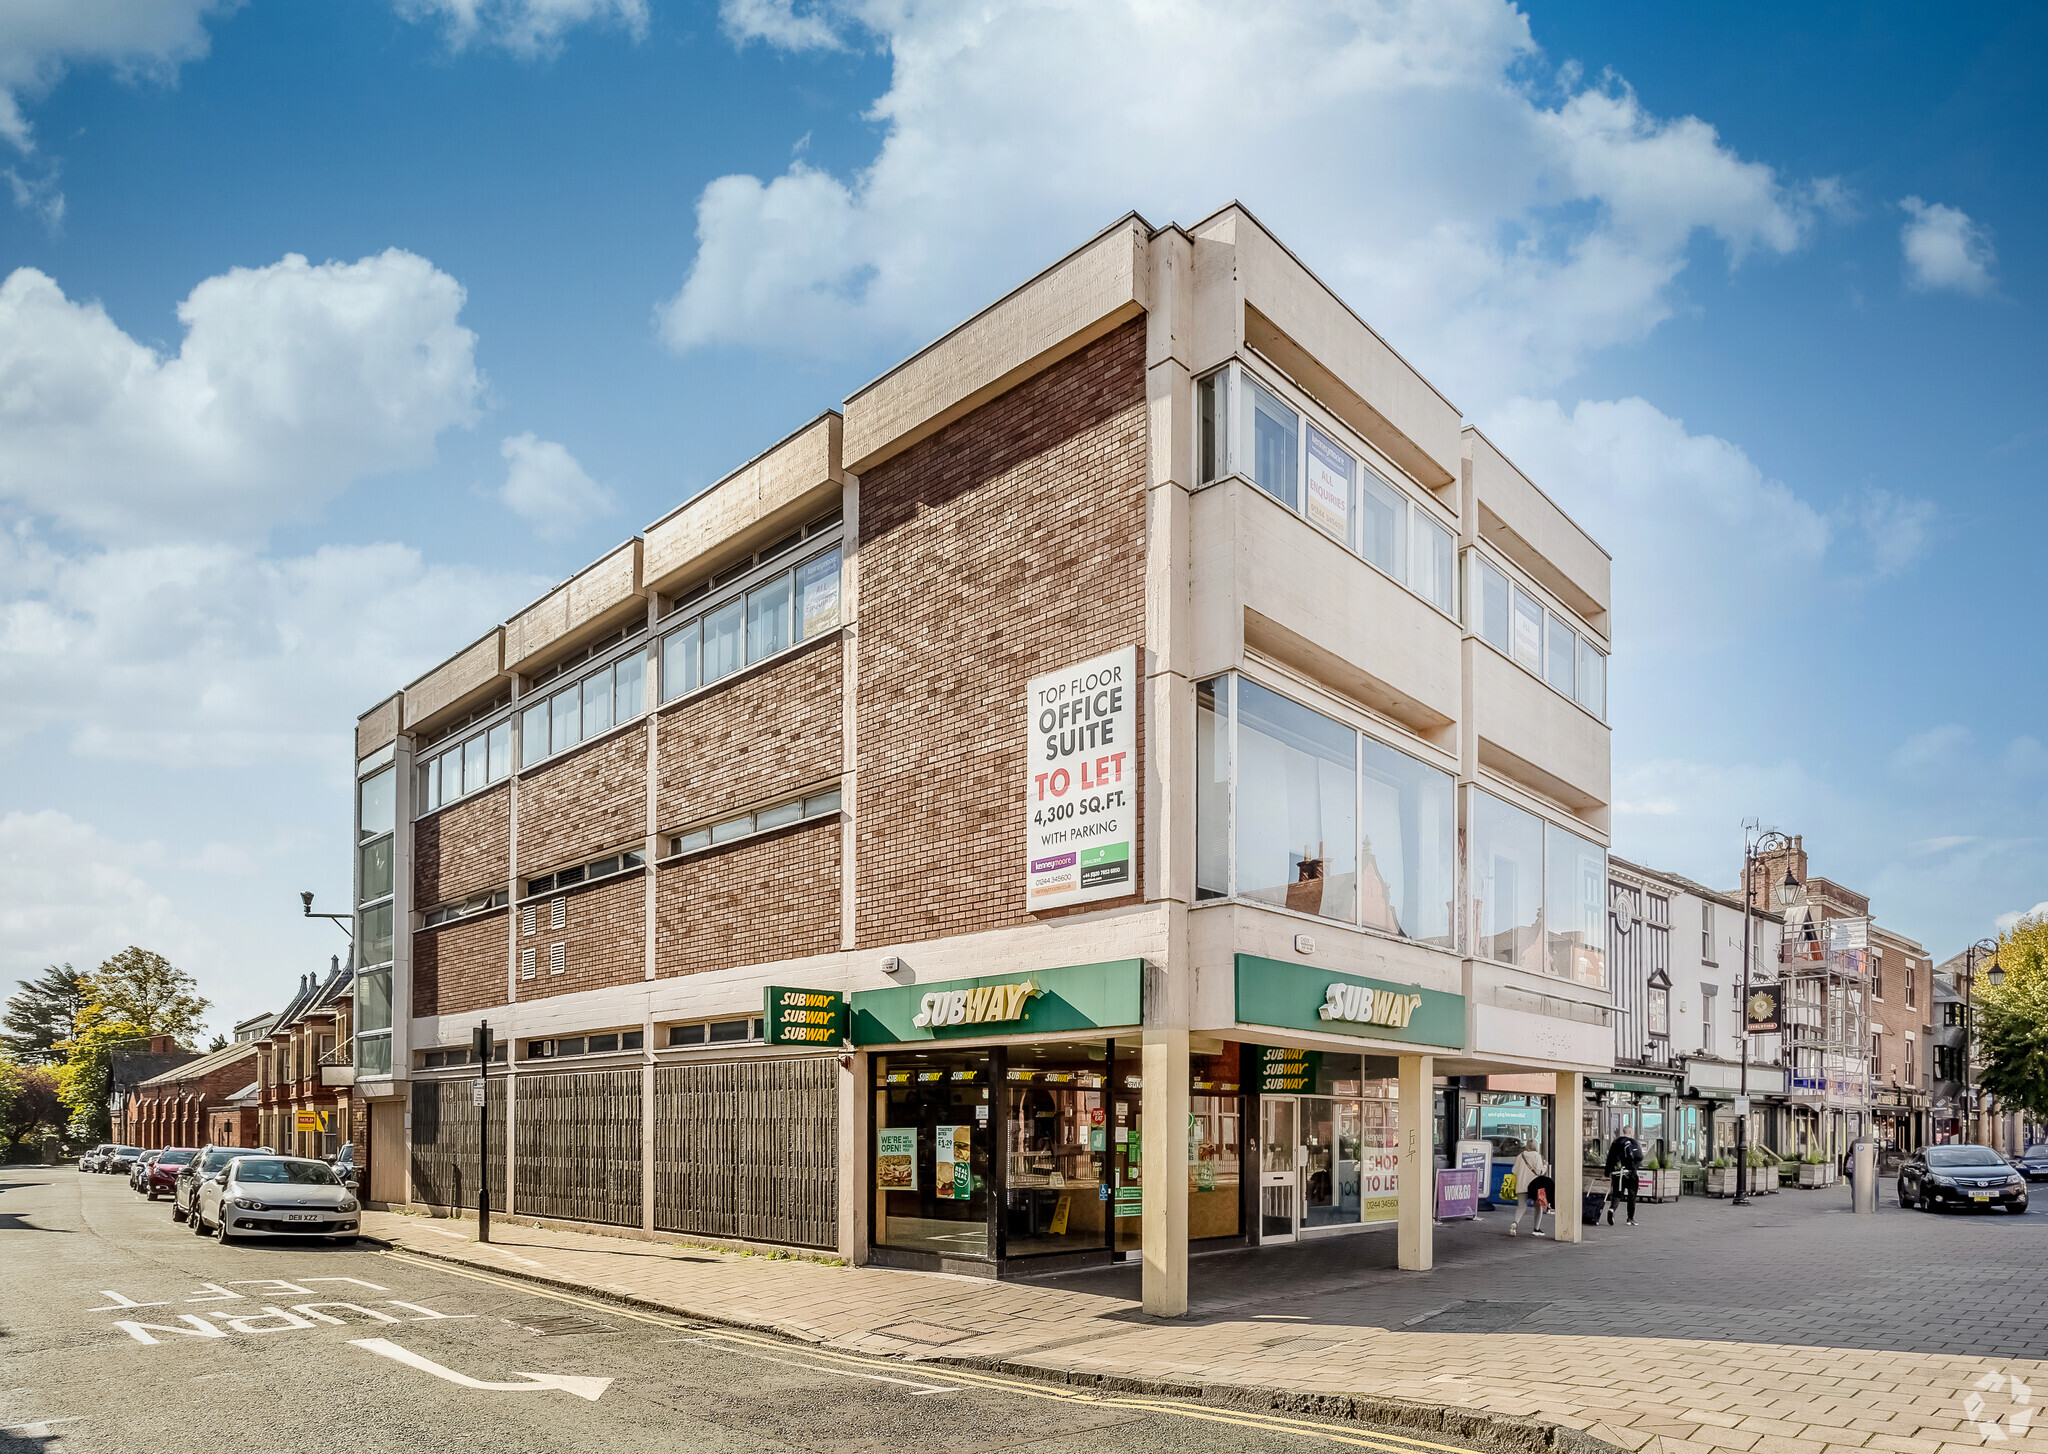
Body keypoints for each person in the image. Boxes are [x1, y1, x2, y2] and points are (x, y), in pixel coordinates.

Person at [1507, 1145, 1550, 1236]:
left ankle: (1515, 1223)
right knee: (1538, 1206)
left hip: (1521, 1185)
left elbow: (1514, 1171)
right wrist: (1545, 1166)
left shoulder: (1520, 1156)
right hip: (1535, 1185)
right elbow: (1539, 1172)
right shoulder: (1536, 1156)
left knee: (1521, 1207)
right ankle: (1536, 1229)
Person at [1605, 1131, 1644, 1226]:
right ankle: (1630, 1219)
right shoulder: (1633, 1142)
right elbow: (1639, 1157)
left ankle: (1612, 1209)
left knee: (1617, 1194)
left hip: (1617, 1173)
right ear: (1630, 1132)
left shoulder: (1615, 1143)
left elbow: (1610, 1158)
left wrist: (1606, 1173)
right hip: (1630, 1173)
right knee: (1632, 1195)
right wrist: (1634, 1168)